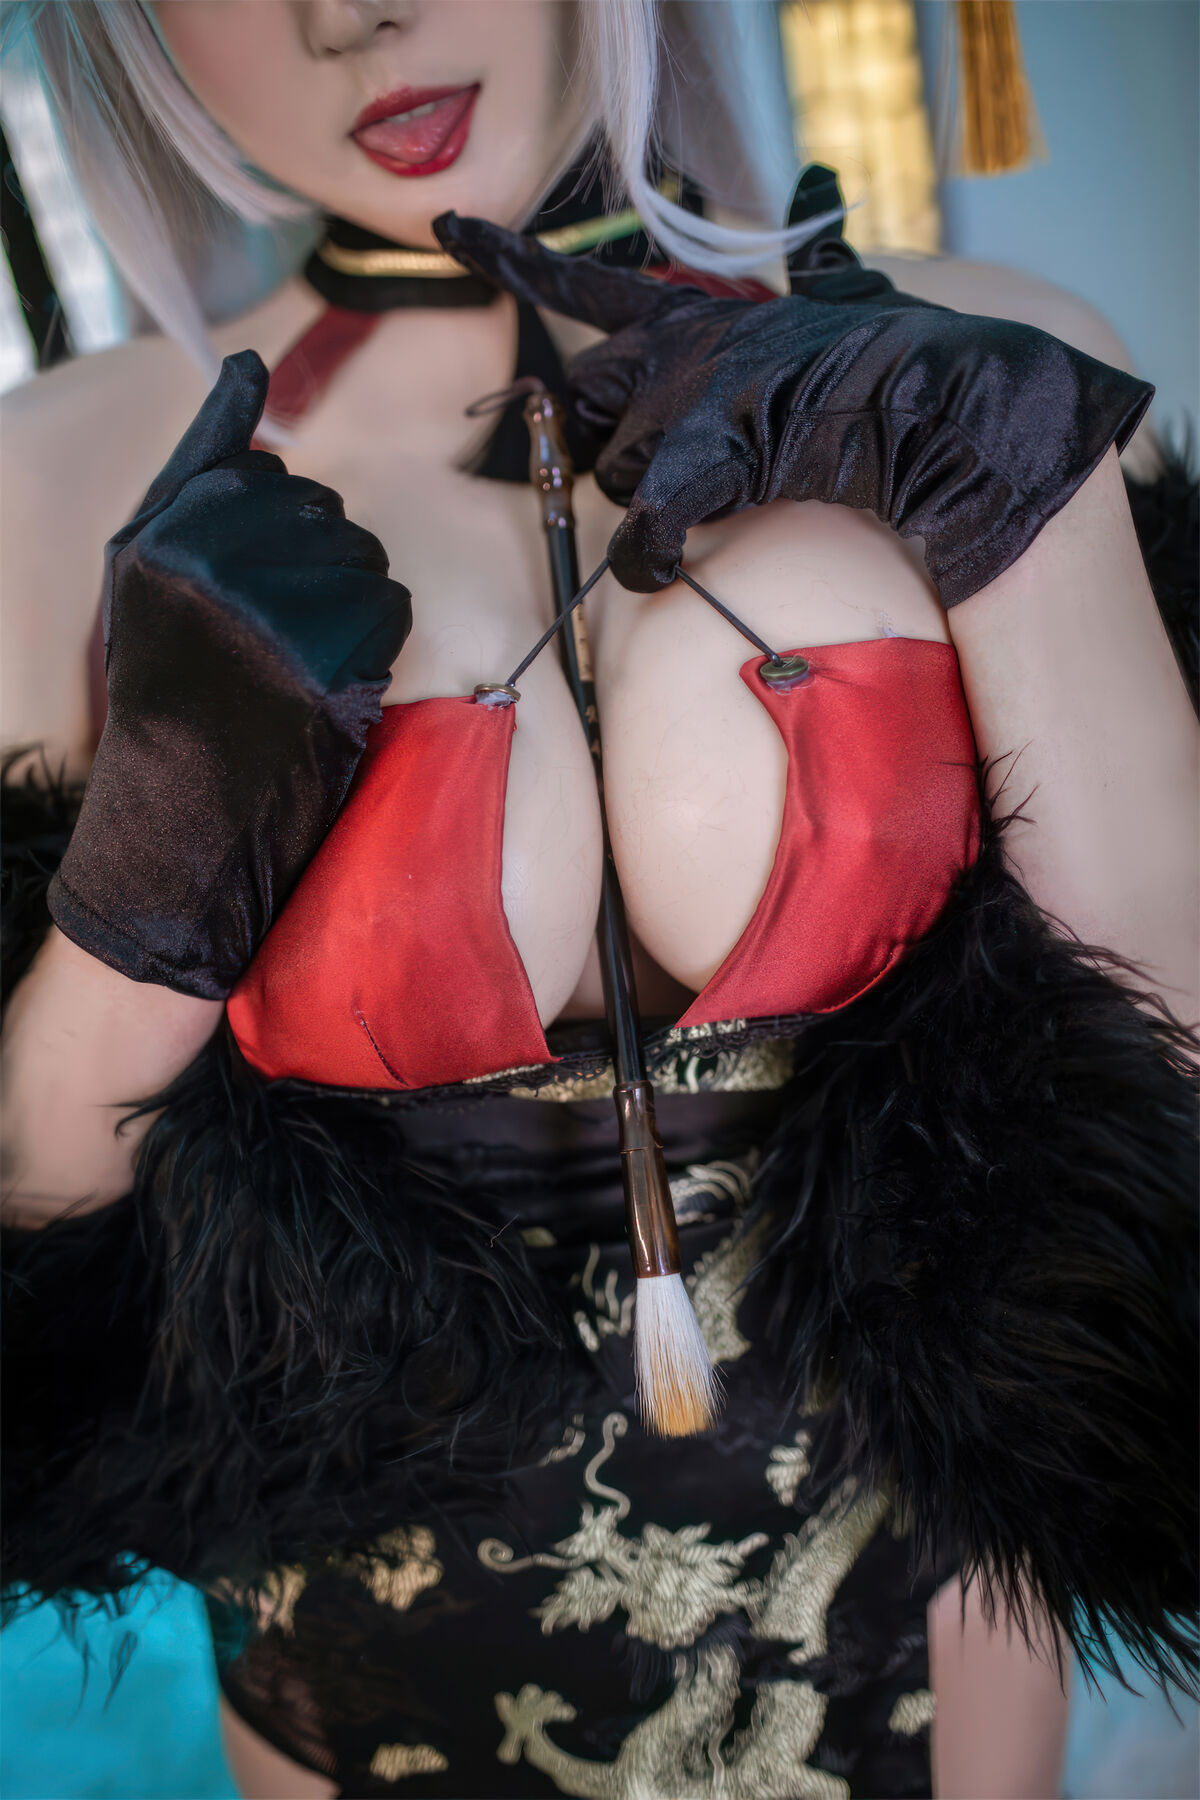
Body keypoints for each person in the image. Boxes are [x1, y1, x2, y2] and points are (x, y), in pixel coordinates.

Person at [1, 4, 1195, 1797]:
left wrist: (1032, 512)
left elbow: (1176, 1085)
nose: (352, 15)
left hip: (937, 1670)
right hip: (368, 1693)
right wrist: (138, 911)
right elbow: (31, 1293)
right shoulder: (43, 484)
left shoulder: (1006, 351)